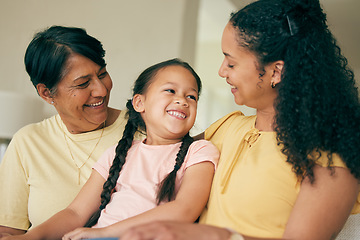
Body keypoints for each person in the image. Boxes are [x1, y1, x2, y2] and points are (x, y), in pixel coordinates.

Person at [117, 0, 360, 239]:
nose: (222, 71)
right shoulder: (227, 127)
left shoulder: (330, 159)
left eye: (231, 62)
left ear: (276, 72)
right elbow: (156, 144)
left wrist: (213, 235)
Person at [0, 58, 219, 240]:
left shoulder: (199, 152)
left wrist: (106, 232)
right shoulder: (120, 153)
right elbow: (75, 212)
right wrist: (29, 238)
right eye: (170, 90)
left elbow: (184, 210)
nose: (182, 100)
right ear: (139, 103)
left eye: (192, 96)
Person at [0, 26, 140, 237]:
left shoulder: (144, 129)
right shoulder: (28, 142)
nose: (101, 90)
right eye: (83, 84)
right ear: (47, 93)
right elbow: (8, 232)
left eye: (102, 74)